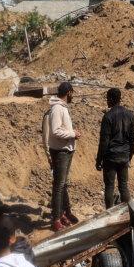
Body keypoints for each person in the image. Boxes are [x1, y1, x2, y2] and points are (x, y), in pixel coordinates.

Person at [42, 81, 79, 231]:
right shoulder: (57, 108)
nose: (72, 96)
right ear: (69, 92)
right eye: (72, 93)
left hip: (66, 150)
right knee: (58, 186)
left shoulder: (62, 108)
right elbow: (56, 131)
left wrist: (72, 134)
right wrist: (73, 134)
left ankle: (64, 212)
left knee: (63, 184)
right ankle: (56, 219)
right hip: (60, 151)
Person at [95, 87, 134, 208]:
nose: (107, 101)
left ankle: (109, 214)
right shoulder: (130, 115)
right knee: (123, 185)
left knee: (109, 186)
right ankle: (127, 213)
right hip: (124, 156)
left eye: (108, 99)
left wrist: (99, 160)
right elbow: (133, 139)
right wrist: (129, 156)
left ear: (112, 99)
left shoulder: (108, 117)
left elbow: (104, 141)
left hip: (111, 157)